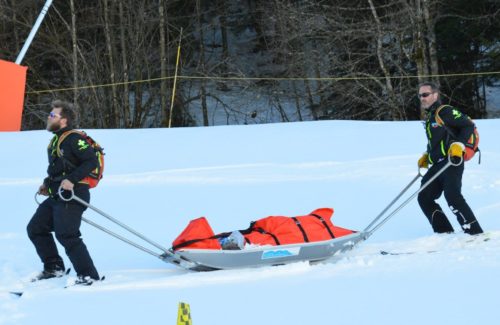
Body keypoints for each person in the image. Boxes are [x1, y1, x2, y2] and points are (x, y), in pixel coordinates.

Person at [27, 100, 100, 284]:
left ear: (64, 120)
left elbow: (91, 162)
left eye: (53, 115)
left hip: (73, 194)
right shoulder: (56, 140)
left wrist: (71, 180)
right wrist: (47, 184)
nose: (48, 117)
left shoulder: (75, 138)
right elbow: (59, 169)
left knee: (67, 234)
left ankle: (89, 276)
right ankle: (54, 268)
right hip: (57, 194)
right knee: (36, 229)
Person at [416, 82, 483, 235]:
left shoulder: (445, 111)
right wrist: (427, 155)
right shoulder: (431, 117)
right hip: (439, 164)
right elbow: (437, 141)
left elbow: (468, 126)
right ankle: (444, 233)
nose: (422, 98)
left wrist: (459, 145)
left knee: (452, 196)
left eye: (425, 94)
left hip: (452, 161)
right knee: (424, 196)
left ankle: (475, 233)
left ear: (435, 95)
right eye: (420, 95)